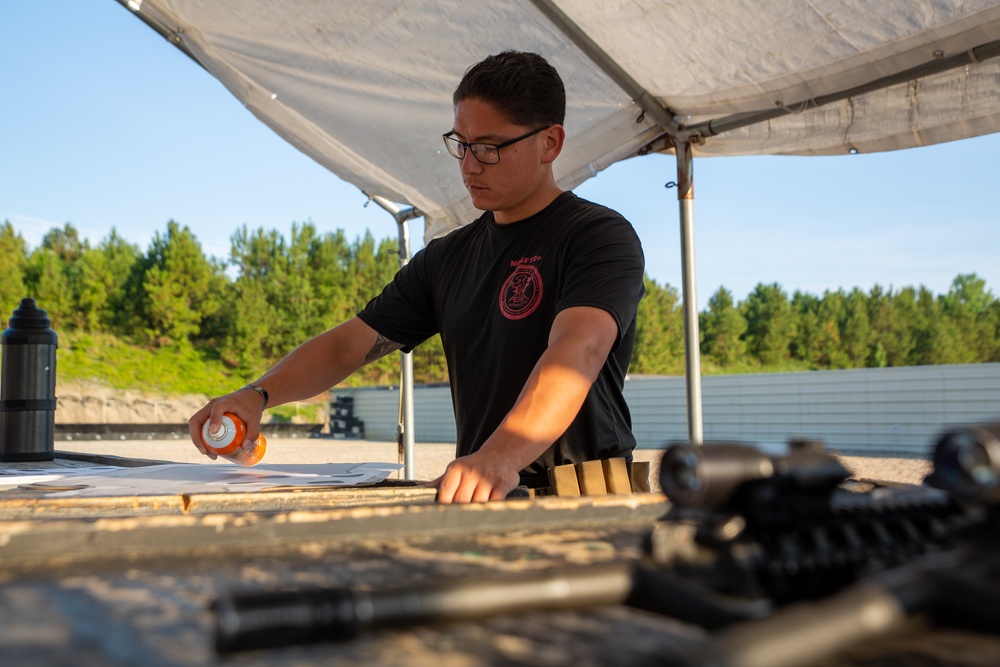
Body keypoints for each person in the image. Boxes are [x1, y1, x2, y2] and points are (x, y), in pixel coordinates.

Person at [188, 50, 645, 503]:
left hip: (587, 493)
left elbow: (577, 352)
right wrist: (259, 393)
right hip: (485, 493)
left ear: (551, 143)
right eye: (460, 144)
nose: (468, 166)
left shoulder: (597, 236)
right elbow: (347, 347)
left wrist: (500, 456)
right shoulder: (447, 258)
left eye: (489, 148)